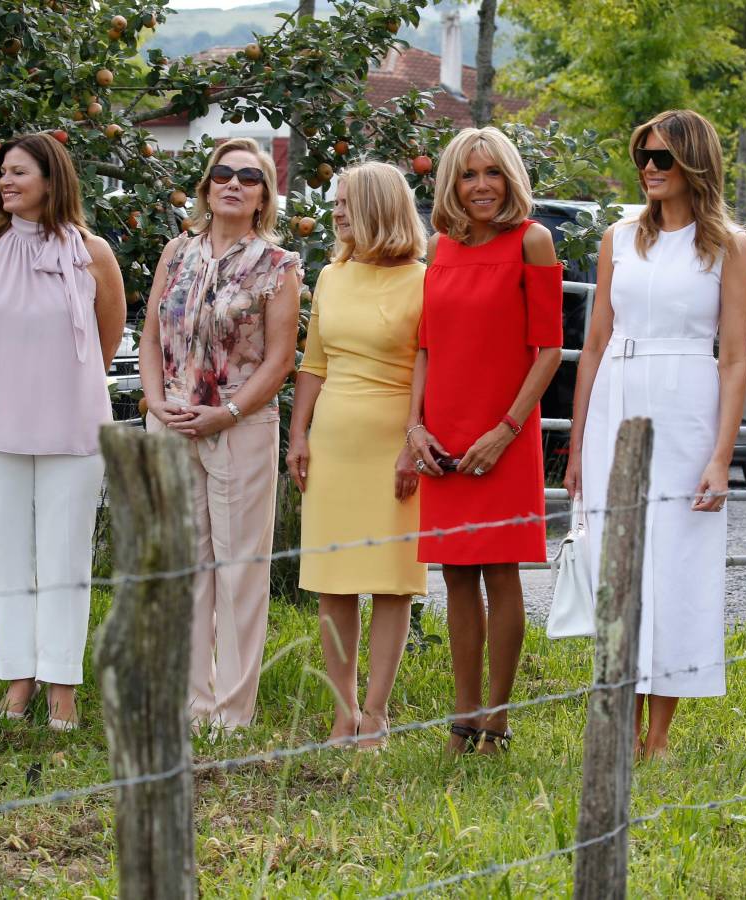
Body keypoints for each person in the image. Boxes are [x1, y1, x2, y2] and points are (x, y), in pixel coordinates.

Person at [565, 110, 746, 758]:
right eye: (642, 155)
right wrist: (577, 443)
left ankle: (660, 734)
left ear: (694, 162)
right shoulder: (619, 237)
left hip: (687, 406)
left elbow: (734, 358)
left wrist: (722, 454)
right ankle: (619, 713)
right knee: (618, 557)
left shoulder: (728, 243)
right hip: (617, 395)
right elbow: (592, 345)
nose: (649, 166)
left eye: (663, 158)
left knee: (675, 559)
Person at [0, 132, 127, 732]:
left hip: (72, 427)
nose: (7, 182)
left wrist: (65, 387)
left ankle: (63, 688)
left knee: (65, 558)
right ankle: (18, 680)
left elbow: (109, 334)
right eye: (3, 173)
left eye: (20, 173)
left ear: (52, 181)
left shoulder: (91, 252)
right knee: (6, 557)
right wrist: (7, 384)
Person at [405, 127, 563, 755]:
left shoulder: (533, 241)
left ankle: (497, 719)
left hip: (505, 430)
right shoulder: (439, 247)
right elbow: (424, 346)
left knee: (499, 570)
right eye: (468, 175)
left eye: (492, 173)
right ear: (452, 183)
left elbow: (549, 349)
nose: (480, 187)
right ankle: (462, 716)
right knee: (454, 573)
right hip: (441, 431)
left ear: (510, 179)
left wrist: (506, 430)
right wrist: (414, 427)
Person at [139, 137, 301, 734]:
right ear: (207, 188)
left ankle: (233, 714)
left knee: (240, 568)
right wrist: (156, 402)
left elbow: (280, 361)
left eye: (249, 177)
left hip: (240, 426)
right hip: (174, 422)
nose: (233, 183)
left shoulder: (278, 266)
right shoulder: (176, 252)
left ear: (263, 196)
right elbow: (151, 331)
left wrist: (227, 411)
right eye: (222, 173)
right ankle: (192, 705)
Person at [286, 161, 427, 751]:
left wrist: (412, 443)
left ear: (375, 207)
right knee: (334, 582)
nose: (335, 211)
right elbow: (313, 363)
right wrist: (297, 435)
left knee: (392, 582)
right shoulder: (330, 275)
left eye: (344, 201)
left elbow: (431, 363)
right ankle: (343, 713)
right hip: (333, 442)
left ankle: (376, 715)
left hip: (394, 441)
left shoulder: (424, 279)